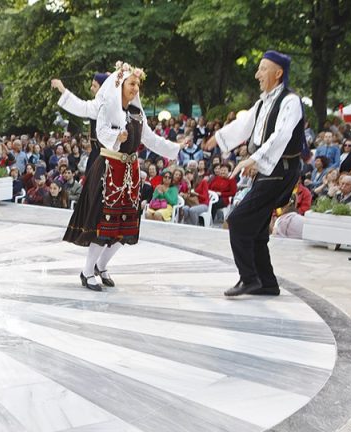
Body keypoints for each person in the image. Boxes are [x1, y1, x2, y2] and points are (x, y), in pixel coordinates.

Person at [61, 61, 183, 291]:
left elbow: (150, 139)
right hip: (110, 169)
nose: (136, 88)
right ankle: (87, 271)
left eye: (137, 84)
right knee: (104, 222)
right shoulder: (108, 108)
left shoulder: (137, 113)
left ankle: (102, 265)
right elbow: (101, 131)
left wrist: (174, 147)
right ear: (120, 85)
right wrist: (117, 136)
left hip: (130, 172)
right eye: (131, 84)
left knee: (127, 225)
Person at [203, 50, 304, 297]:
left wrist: (254, 159)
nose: (258, 74)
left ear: (278, 73)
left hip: (280, 171)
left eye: (263, 69)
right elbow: (244, 125)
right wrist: (218, 138)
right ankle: (266, 283)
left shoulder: (290, 101)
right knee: (257, 228)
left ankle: (248, 278)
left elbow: (282, 135)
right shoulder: (263, 102)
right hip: (270, 171)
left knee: (238, 220)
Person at [51, 72, 108, 173]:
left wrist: (62, 89)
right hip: (98, 153)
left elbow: (81, 107)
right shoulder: (103, 102)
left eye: (95, 86)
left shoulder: (103, 104)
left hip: (104, 155)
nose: (91, 88)